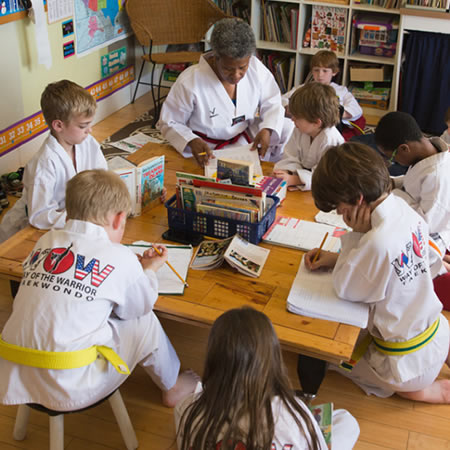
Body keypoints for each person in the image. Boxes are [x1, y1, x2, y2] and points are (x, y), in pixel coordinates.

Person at [0, 170, 197, 410]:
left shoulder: (46, 241)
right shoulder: (120, 256)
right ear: (118, 219)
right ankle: (173, 386)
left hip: (14, 372)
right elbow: (140, 306)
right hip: (68, 385)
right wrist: (148, 270)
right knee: (143, 319)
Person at [304, 142, 450, 403]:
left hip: (405, 367)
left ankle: (425, 392)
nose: (340, 214)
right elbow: (388, 266)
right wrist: (336, 258)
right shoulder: (403, 208)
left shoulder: (374, 241)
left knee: (330, 359)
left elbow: (346, 287)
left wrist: (355, 236)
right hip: (437, 332)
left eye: (339, 209)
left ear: (357, 200)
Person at [175, 307, 360, 449]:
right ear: (272, 358)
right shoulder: (293, 414)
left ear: (212, 358)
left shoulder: (187, 409)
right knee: (346, 421)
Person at [157, 18, 293, 167]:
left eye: (242, 67)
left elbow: (272, 100)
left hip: (244, 137)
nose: (236, 75)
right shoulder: (190, 81)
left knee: (287, 127)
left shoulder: (255, 67)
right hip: (207, 148)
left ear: (249, 58)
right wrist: (191, 140)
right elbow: (169, 121)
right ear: (216, 58)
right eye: (228, 68)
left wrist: (267, 129)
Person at [0, 80, 107, 243]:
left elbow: (102, 176)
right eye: (83, 126)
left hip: (76, 218)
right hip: (29, 231)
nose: (89, 130)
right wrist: (80, 218)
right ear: (58, 125)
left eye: (89, 124)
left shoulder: (88, 142)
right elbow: (39, 216)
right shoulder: (44, 163)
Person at [375, 111, 450, 309]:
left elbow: (424, 226)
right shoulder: (427, 154)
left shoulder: (437, 177)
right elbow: (412, 184)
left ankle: (442, 265)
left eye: (392, 157)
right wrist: (393, 183)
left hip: (432, 238)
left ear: (404, 148)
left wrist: (391, 197)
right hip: (423, 223)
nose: (394, 162)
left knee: (398, 281)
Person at [272, 82, 344, 191]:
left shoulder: (330, 140)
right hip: (305, 179)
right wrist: (286, 172)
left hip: (328, 188)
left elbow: (326, 177)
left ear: (316, 122)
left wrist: (295, 180)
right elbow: (290, 156)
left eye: (297, 117)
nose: (292, 119)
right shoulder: (300, 129)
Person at [282, 50, 365, 141]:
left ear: (334, 72)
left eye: (325, 71)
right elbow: (283, 99)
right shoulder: (304, 88)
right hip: (309, 124)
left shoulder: (341, 91)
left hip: (330, 125)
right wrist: (289, 107)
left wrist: (333, 114)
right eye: (316, 70)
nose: (320, 75)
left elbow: (356, 109)